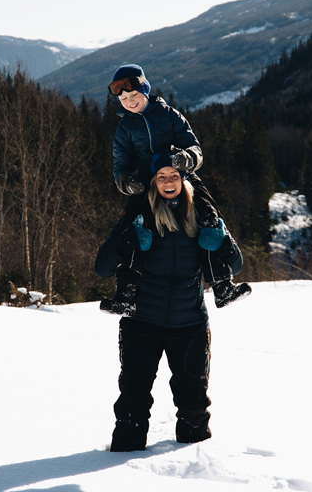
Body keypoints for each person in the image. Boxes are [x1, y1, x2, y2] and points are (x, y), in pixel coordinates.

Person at [95, 156, 250, 451]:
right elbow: (102, 267)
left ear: (184, 180)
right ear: (153, 182)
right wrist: (128, 239)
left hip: (190, 325)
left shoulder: (203, 214)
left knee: (194, 409)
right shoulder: (138, 215)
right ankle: (118, 473)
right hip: (141, 324)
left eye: (174, 176)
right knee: (132, 404)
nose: (168, 182)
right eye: (161, 177)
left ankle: (195, 471)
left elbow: (237, 263)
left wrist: (221, 241)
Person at [101, 63, 250, 316]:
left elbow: (195, 148)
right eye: (123, 98)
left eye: (133, 95)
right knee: (134, 230)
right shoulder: (124, 128)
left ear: (145, 90)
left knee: (208, 218)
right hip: (145, 185)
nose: (129, 101)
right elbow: (120, 166)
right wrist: (126, 182)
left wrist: (187, 158)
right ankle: (126, 295)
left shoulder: (169, 115)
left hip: (183, 178)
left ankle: (222, 285)